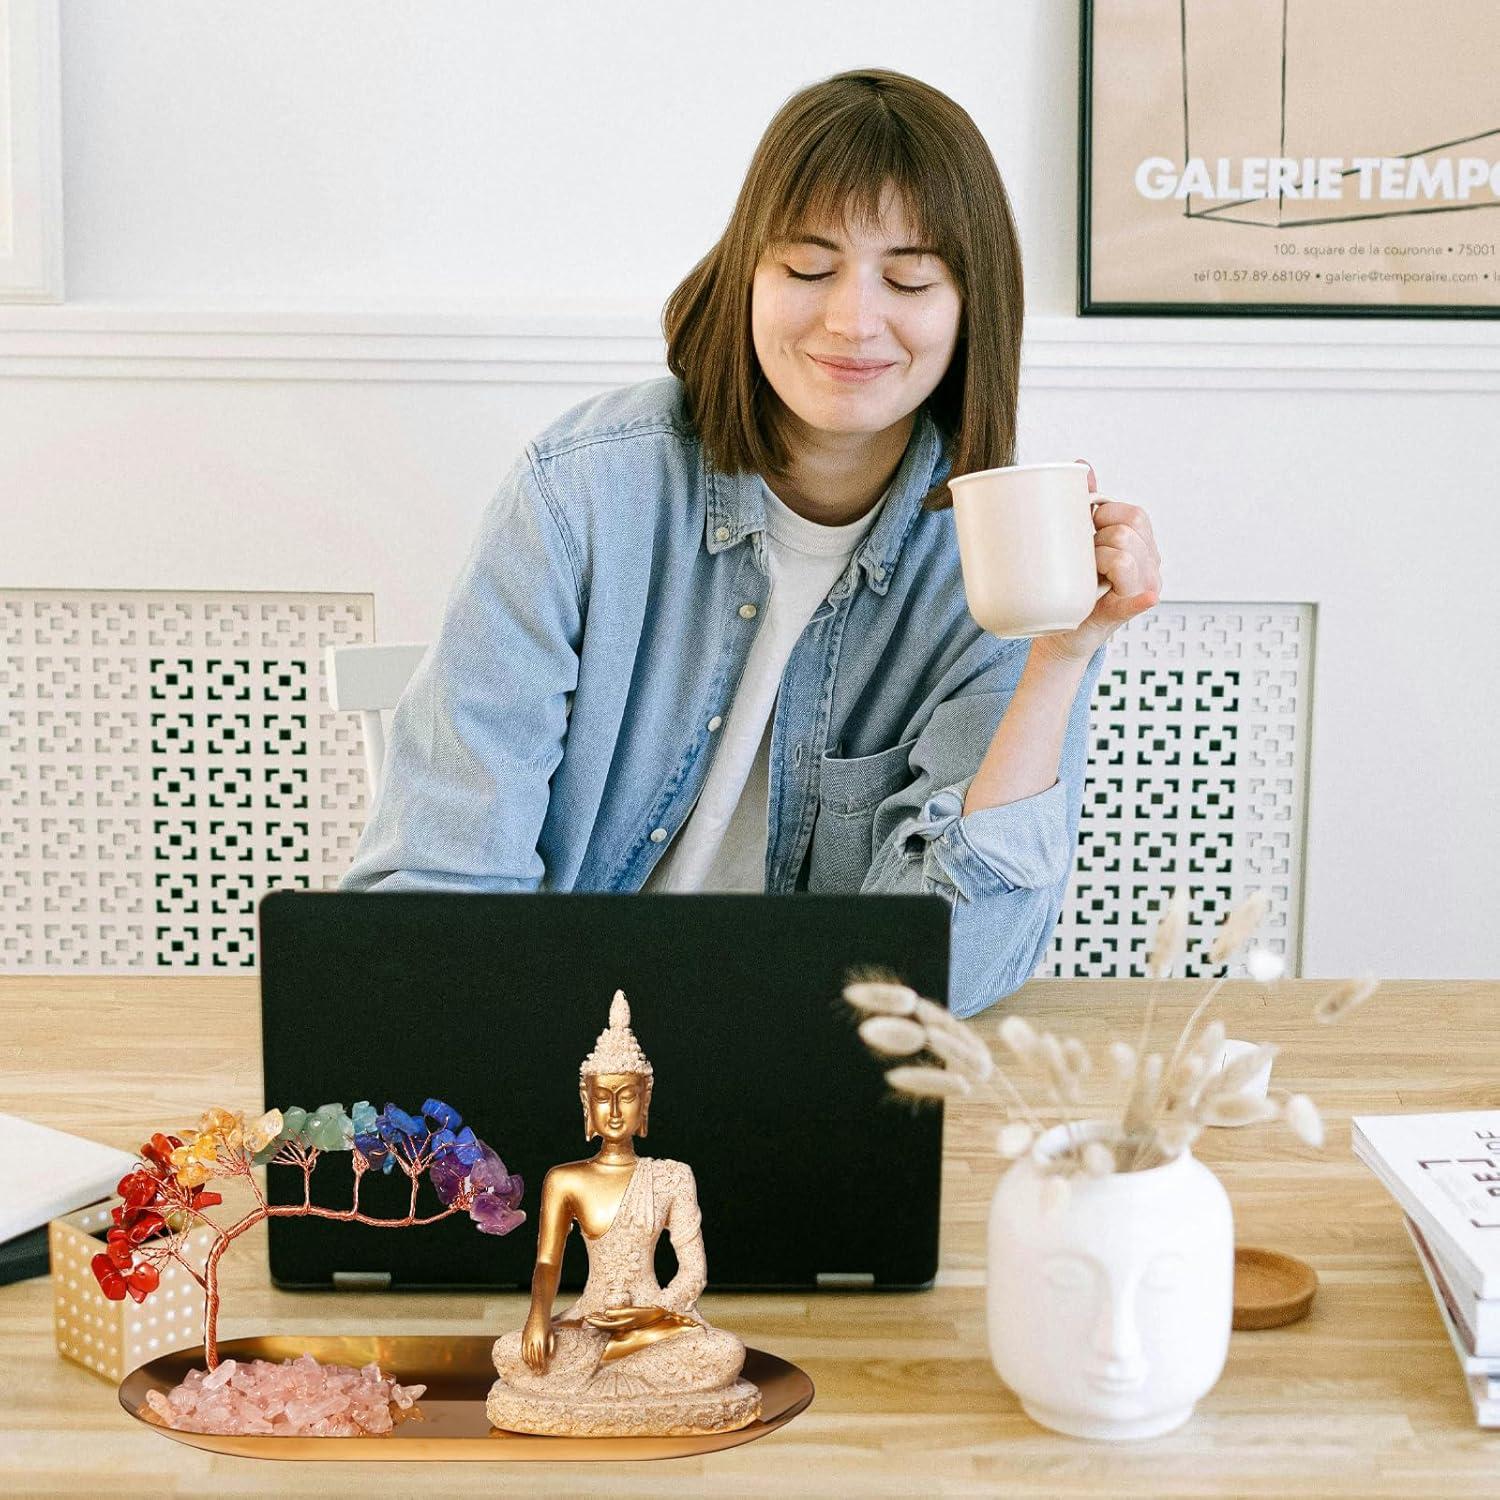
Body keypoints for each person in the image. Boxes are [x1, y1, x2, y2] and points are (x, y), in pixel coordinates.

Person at [341, 68, 1162, 1018]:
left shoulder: (1007, 553)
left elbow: (948, 973)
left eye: (909, 278)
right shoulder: (582, 492)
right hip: (560, 1042)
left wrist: (1059, 659)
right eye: (808, 268)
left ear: (971, 306)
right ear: (746, 277)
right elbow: (440, 896)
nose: (853, 321)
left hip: (809, 1069)